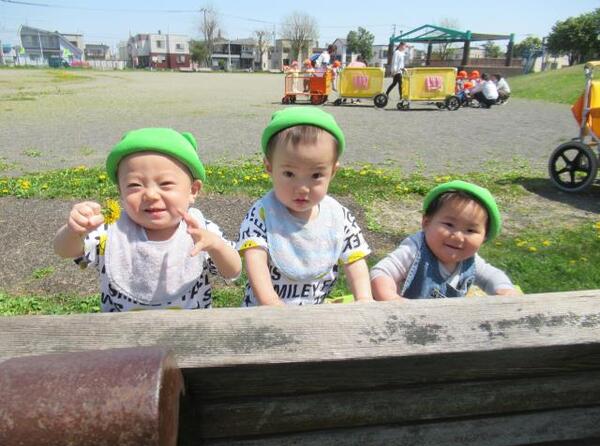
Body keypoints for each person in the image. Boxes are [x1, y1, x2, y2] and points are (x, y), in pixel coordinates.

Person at [54, 128, 242, 312]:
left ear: (192, 190)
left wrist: (216, 246)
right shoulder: (112, 230)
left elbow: (232, 271)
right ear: (121, 191)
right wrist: (74, 231)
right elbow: (65, 251)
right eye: (135, 185)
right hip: (121, 329)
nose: (151, 194)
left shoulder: (202, 230)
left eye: (165, 184)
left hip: (190, 329)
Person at [237, 107, 373, 306]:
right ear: (269, 167)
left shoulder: (338, 217)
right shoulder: (263, 214)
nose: (302, 188)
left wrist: (364, 298)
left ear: (333, 171)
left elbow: (355, 261)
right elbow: (255, 260)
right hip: (266, 312)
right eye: (289, 174)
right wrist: (271, 302)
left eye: (316, 175)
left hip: (314, 313)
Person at [371, 180, 520, 300]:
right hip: (403, 320)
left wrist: (504, 290)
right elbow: (381, 272)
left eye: (470, 230)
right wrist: (392, 299)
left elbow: (492, 276)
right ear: (426, 223)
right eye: (449, 225)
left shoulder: (471, 261)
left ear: (484, 237)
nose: (458, 236)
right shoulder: (415, 250)